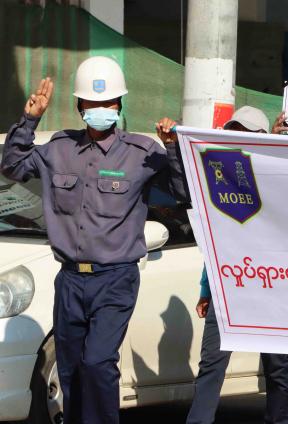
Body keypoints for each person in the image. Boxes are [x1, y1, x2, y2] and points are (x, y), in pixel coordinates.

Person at [1, 56, 188, 423]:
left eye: (108, 102)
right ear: (79, 106)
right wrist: (29, 120)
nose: (101, 109)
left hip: (115, 279)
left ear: (119, 105)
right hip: (70, 279)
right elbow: (12, 166)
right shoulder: (58, 149)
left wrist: (173, 148)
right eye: (92, 102)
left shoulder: (142, 153)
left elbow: (184, 192)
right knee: (70, 369)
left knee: (98, 362)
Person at [171, 106, 288, 424]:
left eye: (245, 133)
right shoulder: (219, 178)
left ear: (262, 138)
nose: (236, 137)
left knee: (278, 368)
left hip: (271, 289)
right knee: (211, 365)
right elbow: (217, 242)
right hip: (227, 290)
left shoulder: (277, 176)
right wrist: (205, 288)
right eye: (233, 131)